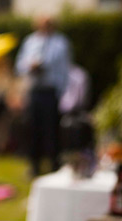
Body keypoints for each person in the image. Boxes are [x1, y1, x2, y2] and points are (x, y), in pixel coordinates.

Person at [15, 15, 71, 176]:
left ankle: (54, 164)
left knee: (51, 129)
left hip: (51, 92)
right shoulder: (30, 41)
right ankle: (34, 166)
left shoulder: (61, 43)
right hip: (34, 91)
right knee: (33, 128)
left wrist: (62, 92)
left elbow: (64, 69)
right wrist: (30, 67)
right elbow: (20, 65)